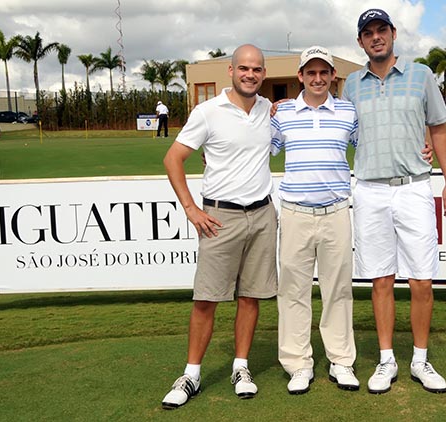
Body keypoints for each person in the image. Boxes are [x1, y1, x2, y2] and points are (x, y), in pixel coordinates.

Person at [342, 8, 446, 395]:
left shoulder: (421, 75)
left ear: (393, 34)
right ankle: (387, 359)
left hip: (414, 187)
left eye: (382, 30)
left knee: (422, 279)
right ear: (360, 41)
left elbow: (438, 130)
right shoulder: (352, 85)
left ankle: (421, 360)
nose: (376, 37)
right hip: (370, 190)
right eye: (368, 33)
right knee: (381, 280)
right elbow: (341, 132)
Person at [160, 44, 278, 409]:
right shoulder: (208, 111)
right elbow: (173, 159)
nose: (250, 74)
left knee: (251, 296)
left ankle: (240, 367)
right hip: (219, 218)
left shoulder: (266, 111)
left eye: (256, 69)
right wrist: (192, 209)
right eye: (243, 68)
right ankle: (191, 374)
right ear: (231, 71)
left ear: (263, 73)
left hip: (261, 215)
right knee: (206, 300)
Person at [271, 46, 359, 395]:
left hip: (337, 211)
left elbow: (367, 146)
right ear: (301, 77)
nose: (318, 79)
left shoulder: (348, 112)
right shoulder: (284, 113)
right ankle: (298, 363)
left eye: (324, 73)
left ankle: (341, 361)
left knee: (338, 289)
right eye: (311, 73)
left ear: (333, 77)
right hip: (295, 213)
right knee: (293, 291)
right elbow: (260, 147)